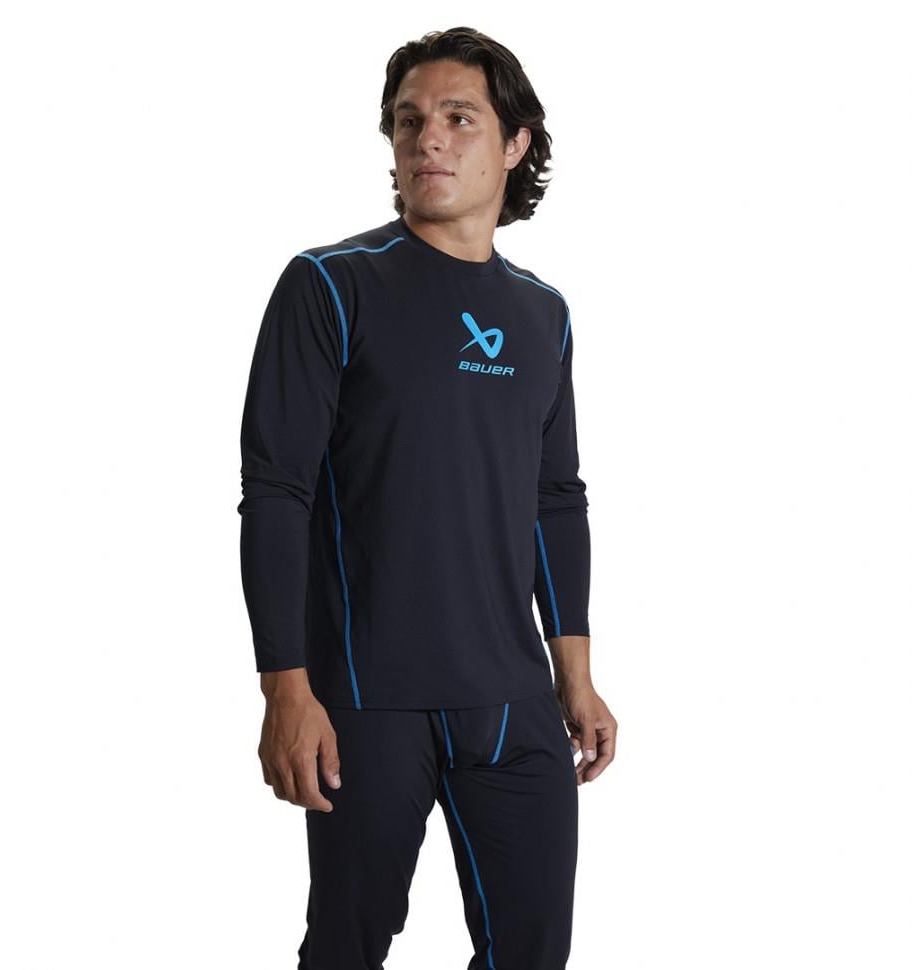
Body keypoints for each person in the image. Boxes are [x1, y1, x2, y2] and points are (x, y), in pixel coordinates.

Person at [237, 26, 618, 970]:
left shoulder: (542, 314)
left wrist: (574, 675)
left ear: (515, 143)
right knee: (347, 948)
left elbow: (556, 499)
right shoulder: (331, 286)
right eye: (409, 122)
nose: (428, 140)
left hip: (514, 698)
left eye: (458, 118)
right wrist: (287, 689)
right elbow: (276, 492)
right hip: (367, 700)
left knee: (533, 953)